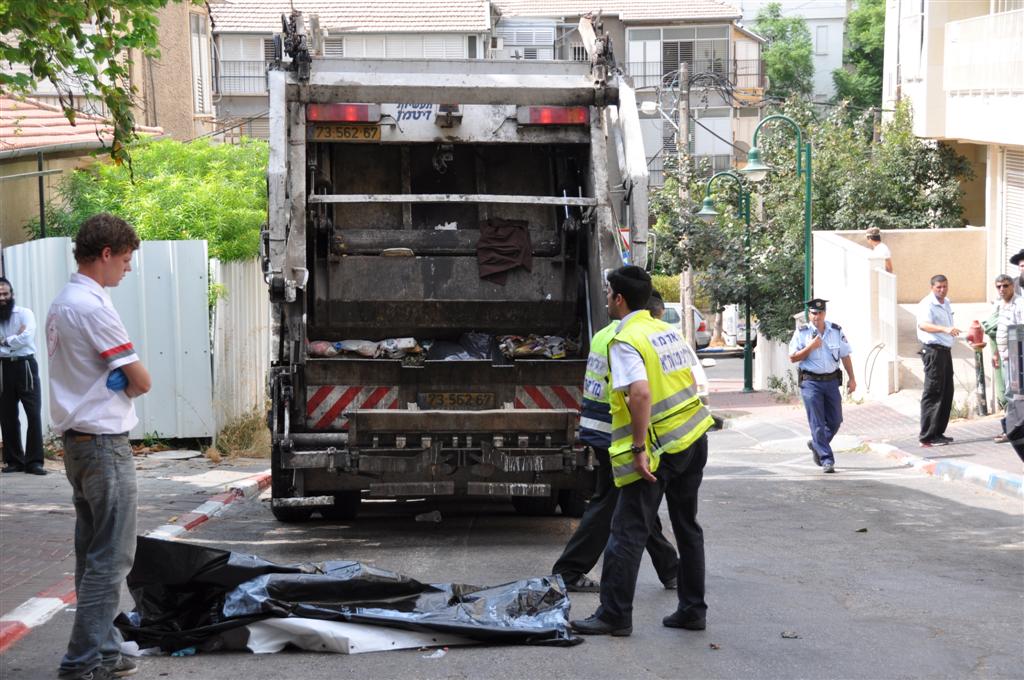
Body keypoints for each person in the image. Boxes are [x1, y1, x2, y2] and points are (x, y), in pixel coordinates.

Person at [570, 265, 715, 637]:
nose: (605, 299)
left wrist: (638, 447)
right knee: (687, 527)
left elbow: (640, 393)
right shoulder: (666, 331)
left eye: (607, 294)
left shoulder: (625, 338)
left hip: (658, 449)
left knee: (627, 531)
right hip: (694, 436)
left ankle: (614, 614)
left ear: (619, 299)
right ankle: (692, 609)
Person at [48, 214, 152, 680]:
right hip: (105, 446)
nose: (128, 269)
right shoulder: (92, 307)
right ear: (105, 254)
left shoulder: (63, 302)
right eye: (126, 260)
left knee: (93, 555)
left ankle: (107, 651)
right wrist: (130, 384)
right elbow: (141, 380)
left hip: (77, 445)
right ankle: (82, 662)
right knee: (111, 559)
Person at [552, 292, 679, 593]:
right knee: (612, 502)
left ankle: (671, 568)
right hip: (617, 434)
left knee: (632, 501)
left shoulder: (605, 334)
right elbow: (639, 394)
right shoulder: (628, 339)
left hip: (599, 429)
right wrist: (640, 444)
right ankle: (569, 570)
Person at [788, 299, 856, 473]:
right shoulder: (801, 332)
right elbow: (793, 357)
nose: (816, 316)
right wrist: (810, 347)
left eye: (819, 313)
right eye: (812, 313)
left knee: (835, 420)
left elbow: (845, 355)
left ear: (824, 313)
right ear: (808, 314)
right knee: (817, 423)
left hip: (831, 382)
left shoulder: (835, 331)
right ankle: (827, 459)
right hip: (811, 382)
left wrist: (852, 378)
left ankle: (817, 444)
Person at [0, 277, 46, 475]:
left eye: (5, 294)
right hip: (2, 368)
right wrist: (14, 339)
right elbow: (20, 338)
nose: (2, 298)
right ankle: (14, 461)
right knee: (7, 415)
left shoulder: (25, 313)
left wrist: (5, 341)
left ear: (12, 295)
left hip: (25, 365)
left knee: (33, 414)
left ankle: (34, 462)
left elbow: (27, 336)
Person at [916, 274, 959, 447]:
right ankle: (927, 436)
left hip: (945, 351)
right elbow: (923, 325)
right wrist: (945, 329)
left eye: (944, 286)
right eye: (938, 287)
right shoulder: (927, 304)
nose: (942, 290)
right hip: (933, 351)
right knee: (933, 392)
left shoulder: (946, 302)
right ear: (932, 287)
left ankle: (938, 432)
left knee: (947, 391)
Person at [993, 274, 1024, 443]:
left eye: (1005, 286)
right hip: (1006, 355)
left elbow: (1021, 331)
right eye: (998, 287)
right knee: (1010, 394)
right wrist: (997, 352)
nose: (1002, 289)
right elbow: (1001, 331)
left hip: (1017, 355)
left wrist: (1015, 355)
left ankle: (1012, 431)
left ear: (1012, 286)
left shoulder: (1019, 304)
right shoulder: (1000, 304)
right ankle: (1011, 429)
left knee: (1015, 395)